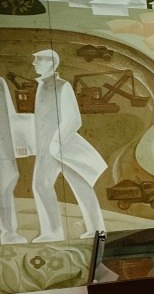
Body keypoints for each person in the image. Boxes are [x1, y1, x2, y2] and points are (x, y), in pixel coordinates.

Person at [30, 49, 107, 242]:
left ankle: (95, 230)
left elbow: (74, 119)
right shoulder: (41, 87)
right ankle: (53, 232)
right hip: (46, 148)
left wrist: (56, 142)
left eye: (38, 60)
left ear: (51, 62)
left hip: (60, 147)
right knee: (42, 185)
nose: (34, 63)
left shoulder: (63, 86)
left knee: (78, 185)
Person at [0, 77, 26, 244]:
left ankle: (8, 232)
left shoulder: (0, 83)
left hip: (2, 147)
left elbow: (10, 116)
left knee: (6, 186)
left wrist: (18, 143)